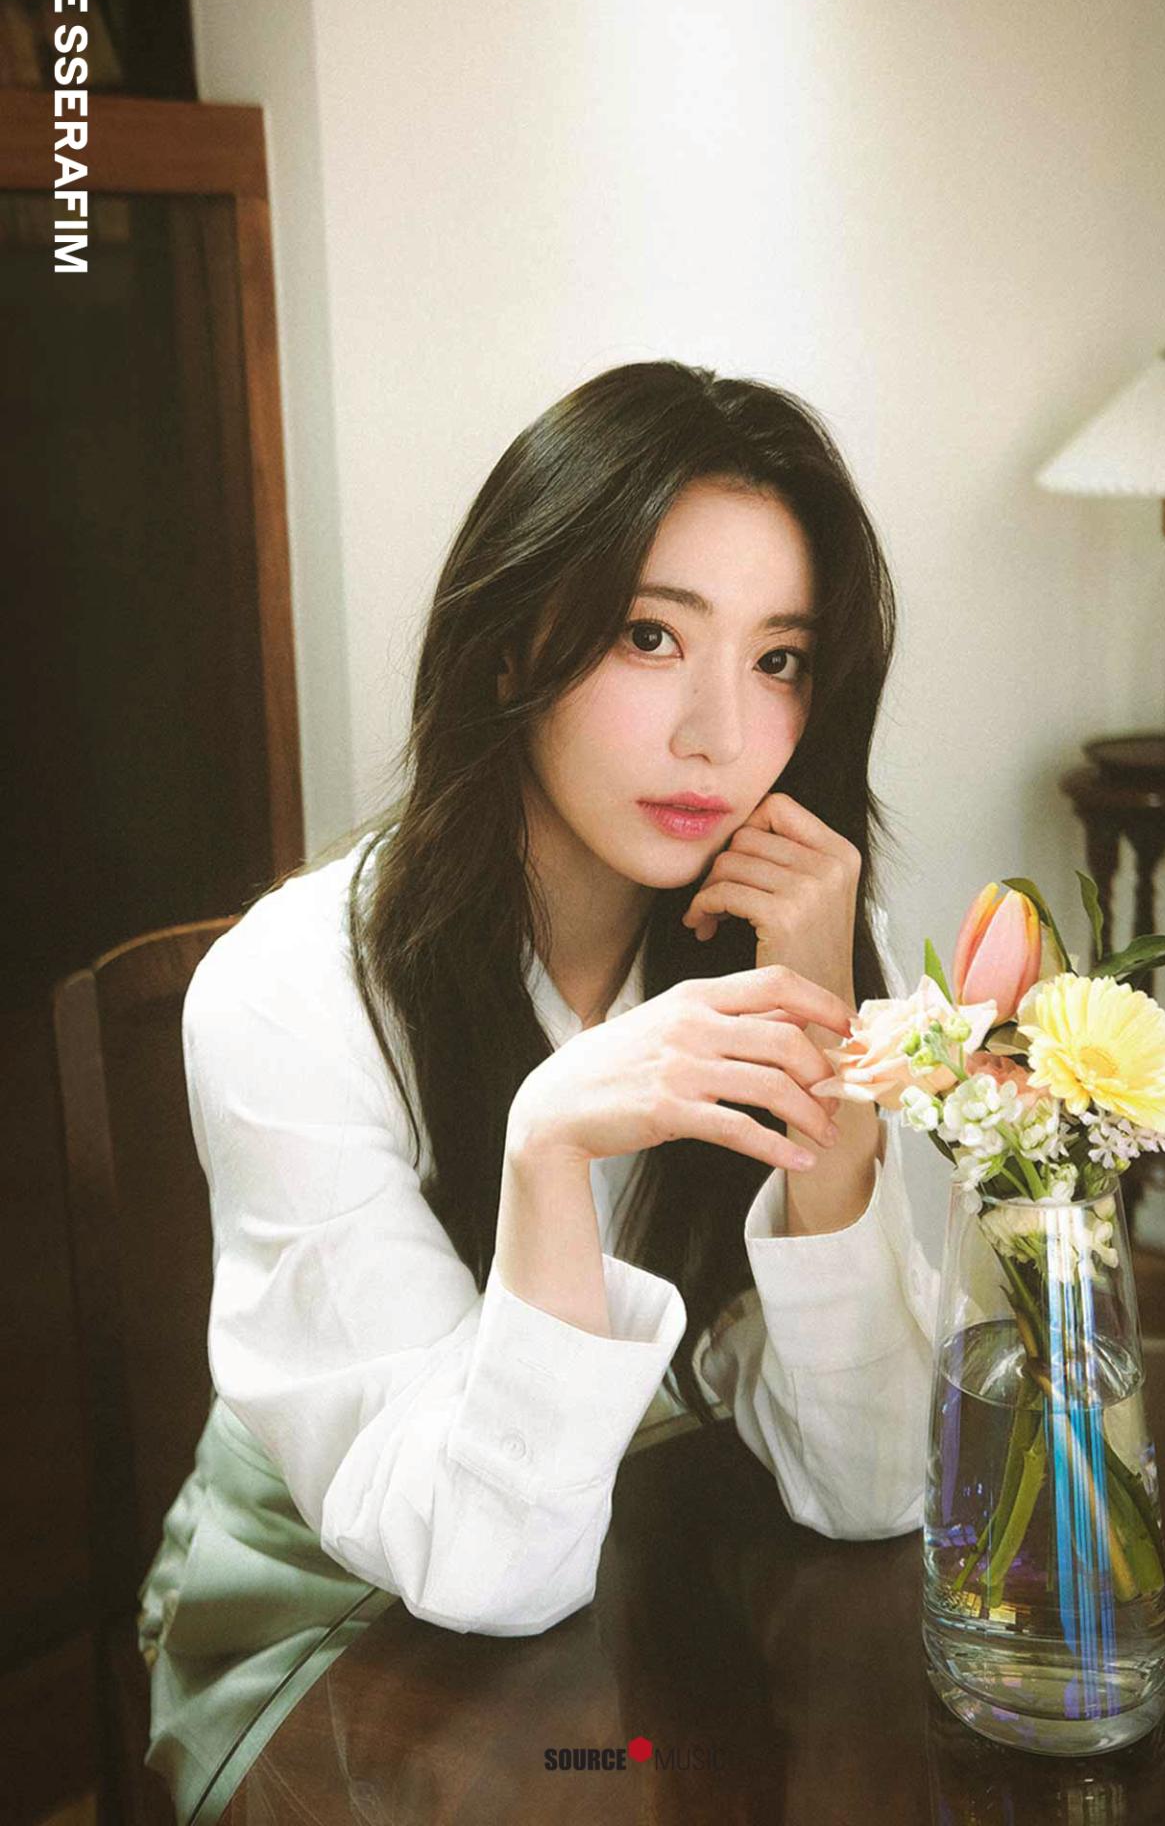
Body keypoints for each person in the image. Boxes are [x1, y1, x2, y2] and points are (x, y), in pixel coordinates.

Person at [136, 359, 940, 1819]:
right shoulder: (287, 990)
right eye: (650, 636)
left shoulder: (780, 935)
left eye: (779, 660)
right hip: (333, 1638)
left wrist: (827, 1062)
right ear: (512, 647)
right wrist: (547, 1153)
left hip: (623, 1597)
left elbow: (873, 1486)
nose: (718, 735)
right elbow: (477, 1572)